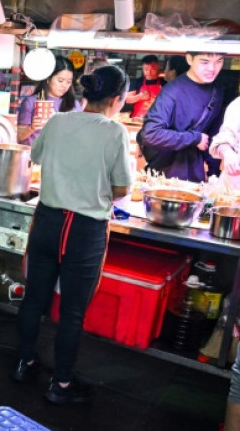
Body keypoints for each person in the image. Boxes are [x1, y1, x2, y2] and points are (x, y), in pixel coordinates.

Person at [14, 65, 132, 405]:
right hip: (83, 230)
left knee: (34, 299)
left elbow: (35, 157)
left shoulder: (58, 120)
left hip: (47, 221)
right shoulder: (114, 131)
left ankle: (25, 364)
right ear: (116, 99)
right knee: (72, 312)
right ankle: (61, 385)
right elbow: (122, 187)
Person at [140, 52, 225, 182]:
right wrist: (194, 138)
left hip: (196, 177)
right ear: (189, 59)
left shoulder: (217, 90)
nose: (212, 68)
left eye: (219, 61)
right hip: (165, 176)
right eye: (204, 62)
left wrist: (214, 173)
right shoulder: (172, 91)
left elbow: (213, 134)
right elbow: (151, 134)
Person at [17, 56, 81, 146]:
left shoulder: (74, 105)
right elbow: (18, 137)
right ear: (48, 78)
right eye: (60, 81)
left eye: (69, 82)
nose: (65, 85)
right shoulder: (31, 102)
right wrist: (31, 128)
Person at [125, 55, 164, 119]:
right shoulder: (137, 82)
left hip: (157, 119)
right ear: (142, 68)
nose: (149, 72)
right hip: (138, 119)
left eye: (152, 69)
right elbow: (127, 99)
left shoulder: (164, 83)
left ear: (158, 66)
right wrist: (139, 97)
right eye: (146, 69)